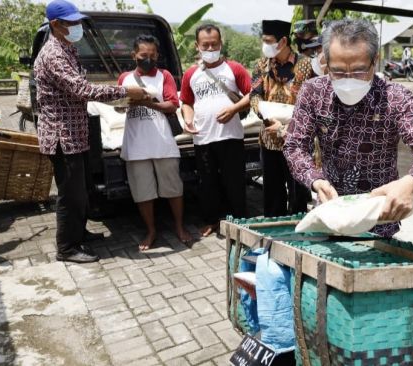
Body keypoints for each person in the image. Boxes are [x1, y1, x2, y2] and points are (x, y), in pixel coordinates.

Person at [283, 19, 413, 237]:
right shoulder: (313, 93)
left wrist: (412, 181)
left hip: (380, 222)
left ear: (374, 62)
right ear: (325, 64)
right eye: (338, 72)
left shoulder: (395, 97)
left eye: (359, 72)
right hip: (331, 217)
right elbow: (294, 145)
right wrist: (315, 180)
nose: (348, 80)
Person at [34, 0, 147, 263]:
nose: (78, 27)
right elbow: (83, 90)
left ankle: (79, 233)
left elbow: (82, 86)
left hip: (77, 134)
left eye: (78, 21)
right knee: (70, 195)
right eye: (72, 23)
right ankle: (67, 248)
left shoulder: (68, 49)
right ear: (56, 25)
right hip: (63, 137)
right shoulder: (53, 54)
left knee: (82, 191)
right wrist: (123, 92)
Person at [117, 35, 192, 250]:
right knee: (143, 192)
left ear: (157, 55)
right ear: (134, 56)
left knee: (173, 188)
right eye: (143, 55)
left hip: (162, 142)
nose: (148, 59)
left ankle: (179, 227)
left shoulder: (164, 76)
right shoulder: (125, 78)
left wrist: (150, 103)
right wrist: (124, 104)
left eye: (152, 55)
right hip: (135, 145)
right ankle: (151, 231)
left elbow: (172, 104)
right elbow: (119, 106)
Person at [181, 24, 252, 237]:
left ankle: (240, 220)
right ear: (197, 46)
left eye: (214, 44)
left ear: (221, 44)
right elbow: (186, 101)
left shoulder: (235, 68)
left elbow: (252, 94)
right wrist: (188, 119)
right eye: (206, 45)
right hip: (203, 138)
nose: (210, 48)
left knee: (235, 181)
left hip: (230, 136)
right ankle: (212, 221)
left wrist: (234, 109)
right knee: (207, 183)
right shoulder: (191, 74)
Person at [251, 19, 314, 217]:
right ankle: (274, 234)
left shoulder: (304, 66)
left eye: (268, 41)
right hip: (269, 139)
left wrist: (288, 125)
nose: (265, 45)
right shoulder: (262, 65)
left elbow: (310, 103)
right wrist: (267, 118)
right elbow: (254, 95)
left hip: (296, 140)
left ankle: (298, 234)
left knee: (298, 194)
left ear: (283, 41)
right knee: (272, 193)